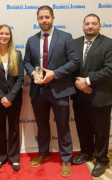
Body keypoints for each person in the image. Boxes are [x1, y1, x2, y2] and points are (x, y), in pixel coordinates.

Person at [24, 5, 80, 177]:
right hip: (38, 91)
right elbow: (26, 61)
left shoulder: (65, 37)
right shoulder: (31, 40)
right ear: (37, 20)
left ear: (53, 18)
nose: (44, 20)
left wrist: (54, 74)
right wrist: (32, 72)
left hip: (60, 90)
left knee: (63, 126)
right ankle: (43, 153)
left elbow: (74, 61)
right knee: (42, 126)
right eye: (41, 18)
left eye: (47, 17)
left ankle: (65, 159)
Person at [71, 14, 112, 177]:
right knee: (83, 127)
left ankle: (102, 160)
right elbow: (70, 67)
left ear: (100, 26)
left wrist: (87, 81)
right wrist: (80, 84)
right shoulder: (75, 43)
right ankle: (86, 152)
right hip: (80, 95)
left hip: (101, 96)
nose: (90, 26)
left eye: (94, 24)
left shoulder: (108, 43)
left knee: (101, 131)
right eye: (87, 23)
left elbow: (109, 69)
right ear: (83, 26)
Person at [0, 24, 24, 171]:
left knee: (14, 127)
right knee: (0, 127)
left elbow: (20, 78)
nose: (4, 36)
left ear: (10, 36)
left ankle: (14, 158)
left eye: (7, 34)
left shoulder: (17, 54)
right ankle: (1, 157)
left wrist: (10, 97)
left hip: (15, 98)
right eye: (1, 33)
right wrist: (3, 97)